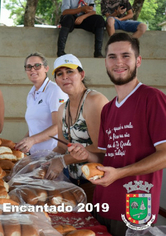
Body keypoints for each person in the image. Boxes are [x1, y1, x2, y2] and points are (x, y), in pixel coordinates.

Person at [68, 32, 166, 236]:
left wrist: (120, 173)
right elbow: (104, 156)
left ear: (138, 60)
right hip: (102, 202)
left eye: (126, 56)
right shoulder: (109, 108)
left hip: (135, 207)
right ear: (105, 62)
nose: (118, 62)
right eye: (112, 56)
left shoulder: (152, 98)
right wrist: (86, 155)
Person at [45, 54, 108, 203]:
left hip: (96, 182)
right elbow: (61, 145)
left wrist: (63, 161)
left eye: (70, 71)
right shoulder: (62, 108)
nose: (65, 77)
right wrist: (43, 160)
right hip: (74, 183)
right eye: (60, 74)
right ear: (56, 81)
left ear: (81, 74)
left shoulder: (93, 100)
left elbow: (101, 147)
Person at [15, 52, 68, 155]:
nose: (33, 70)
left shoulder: (54, 90)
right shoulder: (31, 93)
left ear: (46, 68)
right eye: (29, 67)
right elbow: (35, 127)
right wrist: (23, 141)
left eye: (37, 66)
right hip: (35, 155)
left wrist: (32, 140)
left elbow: (59, 126)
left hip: (53, 154)